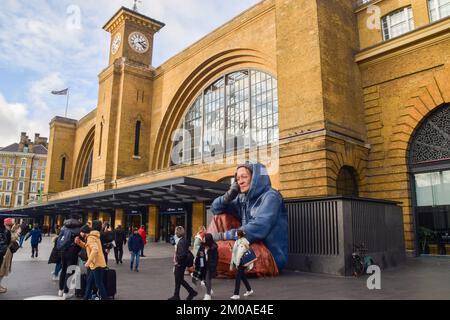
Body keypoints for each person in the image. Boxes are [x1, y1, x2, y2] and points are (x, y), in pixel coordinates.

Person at [211, 161, 288, 272]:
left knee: (216, 253)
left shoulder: (271, 197)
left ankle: (198, 261)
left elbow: (258, 228)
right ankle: (202, 253)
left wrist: (224, 236)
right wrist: (228, 196)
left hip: (269, 255)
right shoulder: (242, 198)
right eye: (237, 179)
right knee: (219, 218)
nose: (240, 182)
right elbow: (216, 209)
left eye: (244, 177)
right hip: (247, 245)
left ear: (256, 178)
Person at [75, 221, 108, 300]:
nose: (80, 234)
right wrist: (79, 242)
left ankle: (105, 298)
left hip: (97, 264)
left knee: (98, 283)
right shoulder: (91, 237)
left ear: (84, 232)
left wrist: (88, 262)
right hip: (95, 264)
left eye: (81, 232)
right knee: (90, 282)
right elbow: (87, 247)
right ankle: (86, 297)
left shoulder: (90, 238)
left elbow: (95, 250)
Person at [168, 226, 197, 300]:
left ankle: (191, 291)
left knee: (179, 279)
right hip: (181, 263)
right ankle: (176, 295)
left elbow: (182, 254)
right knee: (178, 279)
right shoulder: (183, 240)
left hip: (180, 264)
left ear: (177, 233)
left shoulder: (181, 242)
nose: (174, 233)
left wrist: (178, 262)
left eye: (175, 232)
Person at [56, 215, 82, 299]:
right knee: (69, 271)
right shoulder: (78, 230)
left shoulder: (64, 228)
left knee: (63, 270)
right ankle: (66, 293)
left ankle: (60, 290)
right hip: (72, 253)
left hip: (63, 251)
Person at [230, 230, 254, 300]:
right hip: (241, 261)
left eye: (236, 234)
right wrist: (232, 250)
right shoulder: (238, 241)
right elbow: (236, 251)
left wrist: (237, 263)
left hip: (241, 262)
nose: (235, 236)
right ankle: (249, 290)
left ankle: (236, 294)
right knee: (242, 276)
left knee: (238, 277)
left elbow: (240, 253)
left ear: (239, 235)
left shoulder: (242, 242)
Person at [0, 218, 16, 293]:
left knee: (2, 270)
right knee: (2, 271)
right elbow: (7, 242)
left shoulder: (6, 231)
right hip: (4, 253)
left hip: (4, 253)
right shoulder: (7, 232)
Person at [202, 233, 218, 300]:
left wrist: (212, 267)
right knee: (204, 280)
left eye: (204, 239)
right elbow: (200, 254)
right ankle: (209, 289)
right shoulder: (202, 246)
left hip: (210, 266)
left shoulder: (213, 249)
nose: (203, 239)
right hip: (203, 265)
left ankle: (208, 294)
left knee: (207, 279)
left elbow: (215, 259)